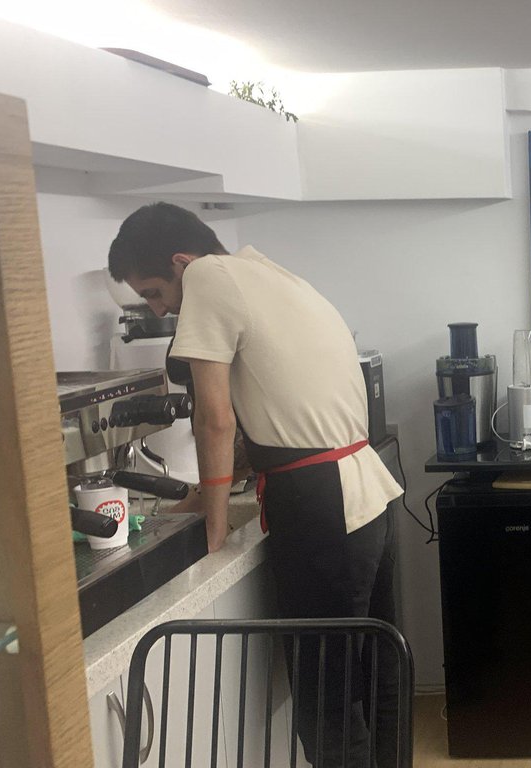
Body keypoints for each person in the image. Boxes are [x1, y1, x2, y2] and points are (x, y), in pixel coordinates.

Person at [108, 203, 404, 765]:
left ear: (181, 262)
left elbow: (214, 420)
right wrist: (204, 494)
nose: (160, 308)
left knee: (327, 703)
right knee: (375, 680)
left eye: (153, 293)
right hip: (366, 492)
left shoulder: (207, 276)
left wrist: (213, 528)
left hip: (321, 505)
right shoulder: (268, 273)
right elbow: (284, 422)